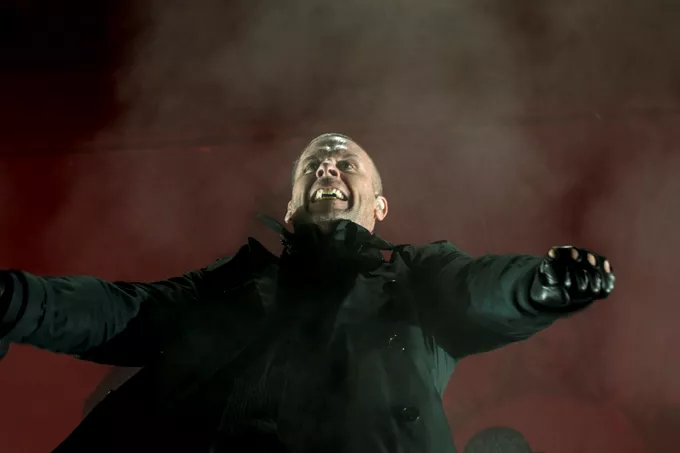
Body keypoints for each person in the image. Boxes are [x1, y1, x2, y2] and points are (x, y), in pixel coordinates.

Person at [0, 133, 615, 453]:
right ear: (292, 209)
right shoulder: (228, 286)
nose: (326, 168)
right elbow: (123, 311)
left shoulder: (416, 282)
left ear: (378, 206)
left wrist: (540, 285)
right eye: (313, 165)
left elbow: (476, 290)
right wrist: (13, 300)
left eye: (346, 163)